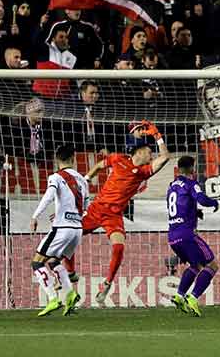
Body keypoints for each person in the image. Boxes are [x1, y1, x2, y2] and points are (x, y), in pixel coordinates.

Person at [82, 120, 170, 303]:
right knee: (69, 233)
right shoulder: (117, 159)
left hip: (114, 215)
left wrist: (158, 136)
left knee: (119, 247)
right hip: (96, 209)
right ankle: (59, 265)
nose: (151, 155)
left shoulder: (143, 172)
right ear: (139, 151)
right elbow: (99, 166)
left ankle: (106, 284)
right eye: (149, 151)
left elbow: (165, 158)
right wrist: (86, 179)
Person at [30, 145, 87, 317]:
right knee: (54, 261)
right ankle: (71, 295)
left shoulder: (56, 177)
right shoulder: (82, 180)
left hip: (62, 228)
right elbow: (85, 207)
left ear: (57, 159)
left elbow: (49, 195)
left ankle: (53, 299)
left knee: (37, 262)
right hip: (77, 230)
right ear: (73, 158)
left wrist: (35, 216)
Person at [167, 155, 219, 317]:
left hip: (172, 236)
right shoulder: (190, 183)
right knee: (212, 265)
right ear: (191, 168)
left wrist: (195, 212)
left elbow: (180, 205)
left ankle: (179, 295)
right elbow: (201, 198)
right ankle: (193, 297)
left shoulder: (171, 186)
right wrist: (214, 202)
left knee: (195, 266)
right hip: (187, 234)